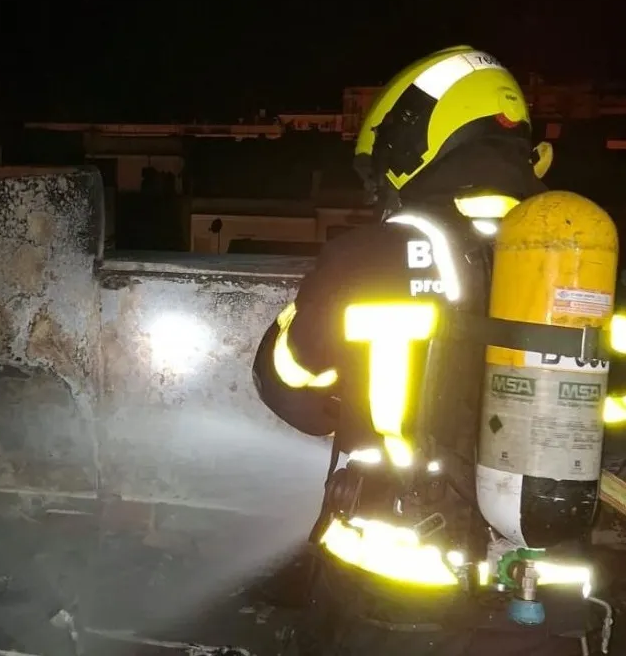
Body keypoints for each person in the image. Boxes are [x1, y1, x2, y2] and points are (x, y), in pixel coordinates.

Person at [253, 46, 601, 656]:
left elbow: (291, 390)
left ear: (411, 142)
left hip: (398, 596)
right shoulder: (583, 255)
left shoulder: (369, 256)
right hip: (548, 599)